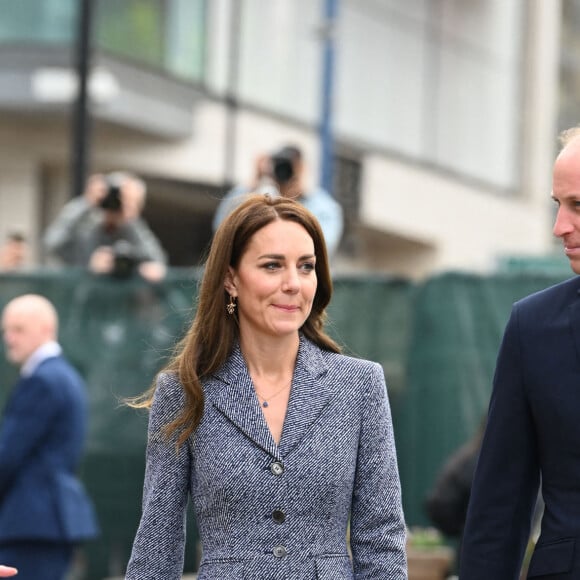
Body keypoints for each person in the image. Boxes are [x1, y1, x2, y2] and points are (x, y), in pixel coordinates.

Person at [126, 193, 407, 579]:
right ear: (230, 279)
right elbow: (158, 540)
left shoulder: (360, 385)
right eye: (272, 265)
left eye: (306, 267)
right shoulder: (184, 390)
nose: (293, 284)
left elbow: (381, 537)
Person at [459, 125, 580, 579]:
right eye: (558, 205)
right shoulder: (533, 328)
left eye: (578, 205)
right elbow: (499, 506)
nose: (559, 227)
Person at [0, 294, 99, 580]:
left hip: (30, 525)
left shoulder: (43, 380)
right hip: (45, 523)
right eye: (6, 330)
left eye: (18, 329)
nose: (9, 338)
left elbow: (8, 456)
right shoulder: (64, 377)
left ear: (45, 329)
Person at [212, 145, 344, 258]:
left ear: (302, 168)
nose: (286, 172)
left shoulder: (323, 206)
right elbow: (222, 230)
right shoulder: (263, 199)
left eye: (291, 166)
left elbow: (322, 249)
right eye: (280, 166)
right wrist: (252, 183)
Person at [43, 171, 167, 282]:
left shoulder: (134, 230)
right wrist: (86, 202)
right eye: (121, 200)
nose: (124, 207)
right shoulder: (86, 229)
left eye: (133, 203)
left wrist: (137, 267)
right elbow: (51, 243)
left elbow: (157, 260)